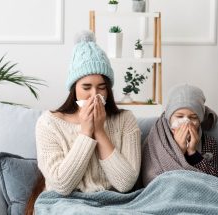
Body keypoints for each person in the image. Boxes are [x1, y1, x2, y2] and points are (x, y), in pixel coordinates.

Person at [25, 31, 141, 214]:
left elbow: (125, 183)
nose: (94, 95)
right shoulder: (49, 124)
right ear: (74, 89)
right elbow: (62, 185)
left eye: (101, 87)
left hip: (113, 205)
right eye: (86, 87)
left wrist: (100, 131)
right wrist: (86, 133)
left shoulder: (125, 120)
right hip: (65, 204)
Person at [141, 84, 218, 186]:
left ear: (200, 119)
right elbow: (151, 181)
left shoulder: (208, 142)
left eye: (193, 117)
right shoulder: (155, 140)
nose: (186, 122)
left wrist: (193, 153)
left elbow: (217, 182)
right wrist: (179, 151)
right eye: (179, 116)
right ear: (169, 117)